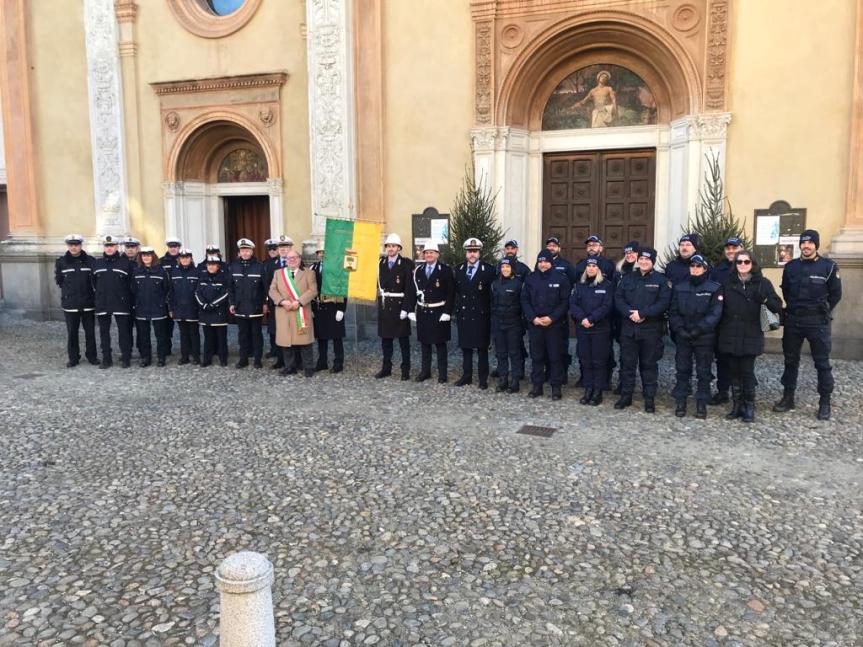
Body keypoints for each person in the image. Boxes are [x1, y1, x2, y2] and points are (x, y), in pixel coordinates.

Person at [772, 229, 843, 420]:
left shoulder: (828, 267)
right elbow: (786, 290)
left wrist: (823, 309)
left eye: (810, 243)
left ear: (816, 245)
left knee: (822, 363)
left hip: (817, 321)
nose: (806, 246)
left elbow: (836, 293)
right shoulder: (791, 267)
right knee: (790, 360)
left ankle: (825, 402)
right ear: (800, 245)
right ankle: (788, 398)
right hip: (794, 320)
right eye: (803, 243)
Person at [716, 250, 782, 422]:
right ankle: (736, 405)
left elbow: (777, 306)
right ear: (735, 264)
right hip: (730, 332)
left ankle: (749, 406)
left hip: (751, 333)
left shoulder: (763, 283)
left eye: (746, 262)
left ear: (752, 264)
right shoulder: (727, 283)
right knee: (733, 372)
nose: (743, 265)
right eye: (739, 262)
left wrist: (765, 300)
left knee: (747, 371)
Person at [614, 247, 671, 412]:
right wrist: (630, 313)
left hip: (650, 330)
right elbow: (618, 298)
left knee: (649, 365)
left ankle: (649, 398)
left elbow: (663, 302)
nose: (644, 262)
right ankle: (626, 396)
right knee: (627, 365)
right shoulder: (627, 278)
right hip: (629, 328)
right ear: (638, 261)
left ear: (652, 261)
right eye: (642, 259)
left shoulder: (660, 280)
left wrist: (643, 313)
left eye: (648, 260)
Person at [669, 254, 723, 419]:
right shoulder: (680, 287)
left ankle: (701, 404)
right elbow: (673, 311)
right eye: (692, 266)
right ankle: (681, 402)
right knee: (682, 370)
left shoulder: (714, 288)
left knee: (703, 372)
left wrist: (699, 329)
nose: (695, 269)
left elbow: (715, 313)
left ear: (705, 268)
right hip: (683, 335)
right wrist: (679, 329)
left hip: (704, 336)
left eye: (698, 266)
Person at [522, 250, 571, 400]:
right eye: (540, 262)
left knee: (555, 357)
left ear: (551, 263)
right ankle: (537, 386)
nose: (543, 264)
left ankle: (556, 387)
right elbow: (525, 300)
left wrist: (552, 317)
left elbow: (565, 302)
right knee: (537, 356)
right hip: (536, 324)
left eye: (546, 261)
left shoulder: (561, 279)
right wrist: (533, 318)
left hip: (554, 325)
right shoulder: (530, 279)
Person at [452, 238, 495, 389]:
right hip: (464, 315)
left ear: (479, 252)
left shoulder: (489, 270)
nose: (472, 254)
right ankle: (467, 376)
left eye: (475, 251)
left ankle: (483, 379)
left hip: (481, 315)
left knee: (482, 349)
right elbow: (455, 292)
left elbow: (492, 295)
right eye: (470, 251)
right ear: (466, 253)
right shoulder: (459, 270)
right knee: (466, 348)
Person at [570, 257, 614, 405]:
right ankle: (588, 389)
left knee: (598, 361)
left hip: (600, 329)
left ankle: (597, 391)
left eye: (594, 266)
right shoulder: (579, 285)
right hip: (583, 329)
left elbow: (607, 306)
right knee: (585, 360)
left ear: (599, 269)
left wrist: (592, 319)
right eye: (588, 266)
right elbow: (573, 304)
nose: (590, 268)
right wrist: (583, 318)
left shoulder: (607, 285)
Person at [410, 242, 455, 383]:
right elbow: (413, 292)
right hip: (423, 311)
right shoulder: (418, 270)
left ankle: (442, 374)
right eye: (426, 252)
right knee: (425, 344)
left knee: (440, 345)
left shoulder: (445, 270)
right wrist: (410, 309)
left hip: (439, 312)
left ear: (437, 254)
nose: (429, 255)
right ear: (423, 255)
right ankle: (425, 371)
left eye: (432, 252)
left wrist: (447, 311)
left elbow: (451, 293)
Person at [268, 249, 318, 377]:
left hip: (301, 310)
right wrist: (282, 301)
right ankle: (290, 367)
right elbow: (272, 291)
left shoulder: (309, 273)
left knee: (305, 341)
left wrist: (299, 302)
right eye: (289, 258)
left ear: (299, 259)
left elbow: (313, 291)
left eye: (295, 257)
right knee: (286, 342)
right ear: (286, 260)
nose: (292, 260)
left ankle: (308, 367)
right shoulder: (278, 273)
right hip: (284, 311)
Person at [376, 233, 416, 380]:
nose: (391, 248)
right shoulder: (380, 264)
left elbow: (409, 289)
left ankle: (405, 371)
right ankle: (386, 368)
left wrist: (407, 308)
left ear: (399, 248)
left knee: (403, 342)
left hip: (400, 307)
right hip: (385, 306)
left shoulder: (406, 264)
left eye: (393, 246)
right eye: (388, 246)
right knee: (386, 341)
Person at [708, 236, 743, 405]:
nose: (730, 251)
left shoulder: (747, 267)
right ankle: (723, 391)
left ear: (741, 248)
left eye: (734, 247)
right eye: (728, 248)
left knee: (741, 359)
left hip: (743, 322)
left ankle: (742, 395)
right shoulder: (718, 270)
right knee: (722, 358)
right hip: (722, 321)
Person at [54, 233, 98, 367]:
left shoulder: (91, 260)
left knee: (90, 332)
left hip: (88, 303)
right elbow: (60, 281)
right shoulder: (61, 262)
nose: (73, 247)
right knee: (72, 333)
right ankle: (73, 358)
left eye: (76, 245)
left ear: (80, 245)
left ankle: (92, 356)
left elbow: (95, 281)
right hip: (70, 303)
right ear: (68, 246)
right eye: (71, 245)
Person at [92, 235, 134, 369]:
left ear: (117, 247)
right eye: (107, 246)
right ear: (104, 247)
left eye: (112, 246)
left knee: (124, 332)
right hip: (103, 302)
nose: (109, 248)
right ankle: (106, 358)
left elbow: (131, 285)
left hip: (121, 302)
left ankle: (126, 358)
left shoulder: (125, 263)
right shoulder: (97, 263)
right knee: (104, 333)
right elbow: (93, 283)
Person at [228, 238, 266, 369]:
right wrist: (232, 303)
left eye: (247, 250)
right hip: (240, 307)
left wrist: (264, 304)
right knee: (242, 335)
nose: (244, 252)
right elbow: (231, 287)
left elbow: (265, 288)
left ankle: (257, 359)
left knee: (256, 334)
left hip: (255, 307)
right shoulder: (233, 266)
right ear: (239, 252)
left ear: (252, 251)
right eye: (242, 250)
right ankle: (243, 359)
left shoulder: (260, 267)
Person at [131, 246, 171, 367]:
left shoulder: (161, 271)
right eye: (144, 255)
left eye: (148, 255)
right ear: (141, 257)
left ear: (153, 256)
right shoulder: (136, 271)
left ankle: (161, 357)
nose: (146, 258)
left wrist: (162, 303)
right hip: (142, 308)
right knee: (144, 336)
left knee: (161, 336)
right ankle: (146, 357)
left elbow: (167, 289)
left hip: (158, 308)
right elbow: (133, 289)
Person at [490, 257, 524, 393]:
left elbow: (522, 304)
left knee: (514, 352)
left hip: (513, 323)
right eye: (503, 267)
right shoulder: (494, 284)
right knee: (501, 353)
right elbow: (491, 302)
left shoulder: (518, 283)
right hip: (498, 323)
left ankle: (515, 381)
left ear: (512, 269)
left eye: (508, 267)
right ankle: (503, 379)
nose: (505, 269)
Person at [611, 240, 640, 393]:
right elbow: (616, 295)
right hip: (621, 317)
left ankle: (640, 384)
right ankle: (624, 383)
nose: (629, 255)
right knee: (625, 354)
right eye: (627, 253)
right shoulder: (619, 272)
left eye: (633, 253)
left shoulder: (642, 270)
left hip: (640, 318)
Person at [312, 247, 347, 373]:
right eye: (319, 252)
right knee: (321, 337)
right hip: (319, 307)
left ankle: (338, 363)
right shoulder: (313, 268)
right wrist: (311, 308)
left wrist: (342, 309)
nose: (322, 254)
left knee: (337, 337)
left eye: (324, 252)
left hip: (334, 306)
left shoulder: (337, 267)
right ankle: (322, 362)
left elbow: (343, 287)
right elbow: (310, 288)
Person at [196, 255, 230, 367]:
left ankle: (223, 359)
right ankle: (207, 359)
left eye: (213, 265)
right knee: (208, 338)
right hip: (205, 311)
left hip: (219, 312)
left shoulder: (224, 278)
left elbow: (226, 294)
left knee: (221, 338)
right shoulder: (202, 278)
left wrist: (213, 304)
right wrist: (204, 304)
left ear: (218, 266)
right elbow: (197, 293)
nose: (211, 267)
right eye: (209, 265)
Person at [169, 249, 201, 365]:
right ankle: (185, 356)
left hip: (193, 308)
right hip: (179, 308)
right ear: (179, 259)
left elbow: (199, 291)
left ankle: (196, 356)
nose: (185, 260)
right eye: (182, 258)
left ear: (191, 259)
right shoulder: (174, 272)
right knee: (183, 334)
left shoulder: (197, 272)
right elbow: (171, 292)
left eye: (187, 257)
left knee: (194, 333)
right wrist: (171, 309)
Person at [262, 237, 285, 360]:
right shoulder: (265, 264)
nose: (272, 251)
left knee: (281, 327)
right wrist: (265, 301)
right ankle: (274, 349)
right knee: (272, 327)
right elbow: (264, 285)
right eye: (269, 249)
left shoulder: (283, 262)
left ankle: (282, 351)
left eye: (274, 248)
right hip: (270, 300)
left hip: (281, 299)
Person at [160, 238, 182, 355]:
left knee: (184, 325)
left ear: (179, 248)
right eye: (171, 246)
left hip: (180, 297)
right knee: (165, 326)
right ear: (168, 247)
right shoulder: (161, 262)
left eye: (175, 246)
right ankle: (166, 349)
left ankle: (187, 350)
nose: (173, 248)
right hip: (165, 297)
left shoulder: (184, 259)